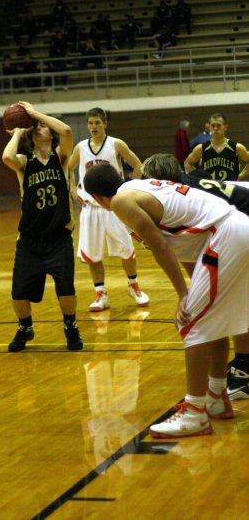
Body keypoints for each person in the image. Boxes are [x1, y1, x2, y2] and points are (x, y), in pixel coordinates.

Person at [83, 160, 249, 438]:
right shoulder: (136, 187)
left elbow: (161, 246)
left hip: (228, 232)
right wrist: (193, 290)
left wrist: (185, 295)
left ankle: (195, 413)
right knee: (211, 318)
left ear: (98, 198)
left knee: (192, 323)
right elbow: (186, 244)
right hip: (230, 230)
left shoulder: (122, 202)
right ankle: (217, 399)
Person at [141, 153, 249, 401]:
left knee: (238, 299)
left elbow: (192, 260)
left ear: (157, 180)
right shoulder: (191, 183)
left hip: (242, 227)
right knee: (237, 297)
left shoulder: (174, 200)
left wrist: (189, 297)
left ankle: (243, 371)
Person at [2, 101, 83, 352]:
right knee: (18, 293)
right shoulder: (25, 163)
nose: (38, 128)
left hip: (59, 238)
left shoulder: (61, 158)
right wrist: (18, 132)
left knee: (66, 290)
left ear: (50, 133)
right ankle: (25, 327)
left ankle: (70, 326)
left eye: (43, 127)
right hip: (29, 240)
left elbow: (67, 131)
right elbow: (6, 157)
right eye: (35, 127)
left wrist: (35, 114)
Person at [68, 107, 149, 313]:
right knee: (92, 254)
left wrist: (129, 189)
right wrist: (71, 188)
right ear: (87, 125)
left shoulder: (116, 144)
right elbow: (67, 167)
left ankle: (134, 286)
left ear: (105, 124)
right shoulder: (80, 147)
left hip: (114, 207)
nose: (94, 126)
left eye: (97, 123)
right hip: (91, 207)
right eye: (90, 123)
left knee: (127, 250)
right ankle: (101, 293)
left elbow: (137, 165)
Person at [184, 112, 249, 181]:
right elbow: (187, 163)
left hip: (230, 188)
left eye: (218, 125)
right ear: (209, 127)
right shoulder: (201, 148)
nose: (215, 128)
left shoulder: (236, 147)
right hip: (210, 189)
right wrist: (198, 180)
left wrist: (239, 177)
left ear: (226, 127)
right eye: (213, 125)